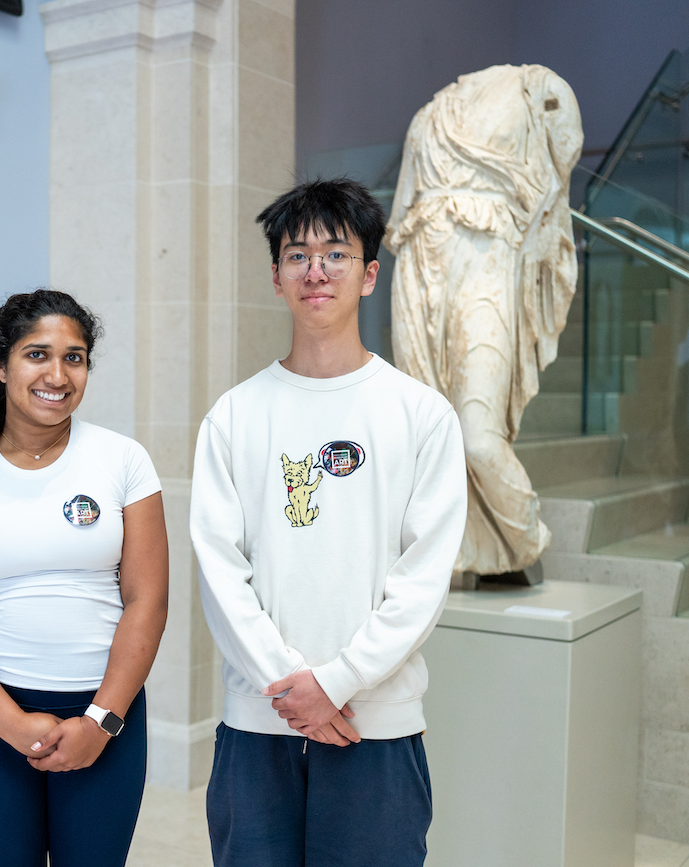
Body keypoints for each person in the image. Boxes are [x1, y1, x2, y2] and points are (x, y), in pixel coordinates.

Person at [191, 178, 467, 867]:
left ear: (370, 274)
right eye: (298, 255)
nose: (316, 270)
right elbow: (220, 571)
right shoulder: (234, 415)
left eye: (336, 254)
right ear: (277, 277)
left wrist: (337, 683)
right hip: (259, 724)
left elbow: (423, 578)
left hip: (376, 728)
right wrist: (294, 690)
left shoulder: (421, 414)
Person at [0, 290, 169, 867]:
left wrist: (101, 721)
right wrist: (10, 723)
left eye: (74, 358)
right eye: (38, 355)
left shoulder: (123, 460)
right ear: (2, 366)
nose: (58, 375)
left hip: (106, 712)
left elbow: (147, 601)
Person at [386, 64, 583, 580]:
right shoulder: (426, 116)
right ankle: (456, 552)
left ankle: (522, 541)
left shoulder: (537, 86)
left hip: (489, 261)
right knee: (426, 433)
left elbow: (562, 166)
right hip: (418, 270)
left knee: (477, 434)